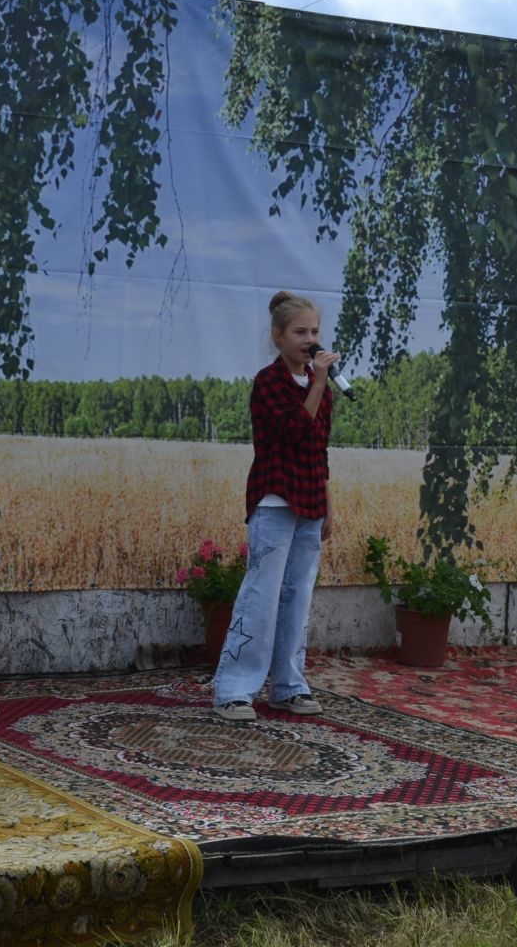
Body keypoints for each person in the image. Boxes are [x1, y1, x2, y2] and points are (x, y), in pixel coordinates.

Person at [212, 291, 337, 721]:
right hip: (274, 500)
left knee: (298, 595)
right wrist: (318, 384)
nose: (310, 339)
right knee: (262, 595)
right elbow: (291, 434)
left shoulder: (324, 391)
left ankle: (289, 685)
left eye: (315, 331)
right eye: (300, 331)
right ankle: (234, 688)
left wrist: (328, 503)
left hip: (309, 501)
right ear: (278, 336)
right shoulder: (268, 382)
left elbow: (319, 450)